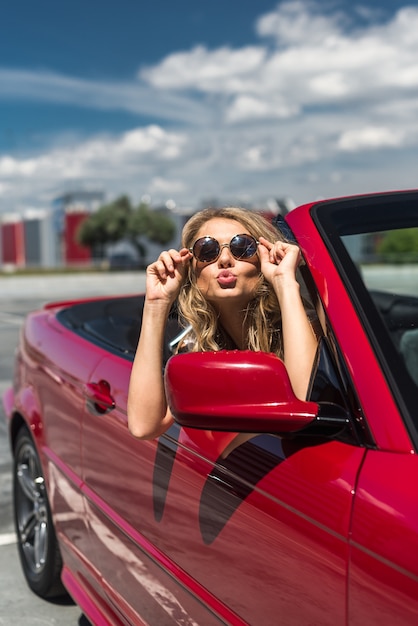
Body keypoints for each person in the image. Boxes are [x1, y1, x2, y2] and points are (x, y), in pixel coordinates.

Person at [128, 206, 319, 440]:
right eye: (207, 250)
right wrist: (156, 303)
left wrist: (284, 282)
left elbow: (305, 403)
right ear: (192, 271)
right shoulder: (196, 348)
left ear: (264, 257)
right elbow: (144, 426)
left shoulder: (310, 330)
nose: (225, 259)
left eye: (242, 247)